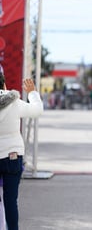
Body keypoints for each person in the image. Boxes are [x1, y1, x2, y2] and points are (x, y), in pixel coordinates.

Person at [0, 68, 43, 230]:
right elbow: (37, 110)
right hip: (13, 156)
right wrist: (32, 93)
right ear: (4, 84)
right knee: (10, 201)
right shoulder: (14, 103)